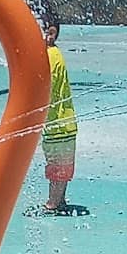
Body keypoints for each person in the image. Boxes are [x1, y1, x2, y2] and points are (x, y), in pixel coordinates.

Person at [40, 12, 86, 215]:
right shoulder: (52, 53)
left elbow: (46, 87)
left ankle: (53, 202)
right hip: (60, 122)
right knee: (59, 164)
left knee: (58, 165)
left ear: (50, 34)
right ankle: (59, 199)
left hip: (58, 122)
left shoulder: (49, 56)